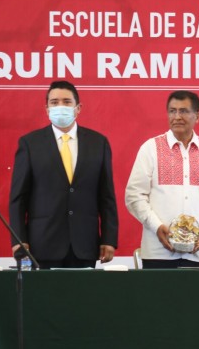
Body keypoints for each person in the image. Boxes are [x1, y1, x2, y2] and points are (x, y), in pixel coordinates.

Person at [9, 81, 119, 268]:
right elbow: (18, 198)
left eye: (67, 102)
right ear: (47, 109)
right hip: (42, 244)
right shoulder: (30, 143)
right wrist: (19, 239)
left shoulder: (98, 143)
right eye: (54, 102)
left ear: (78, 108)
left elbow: (106, 196)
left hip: (84, 244)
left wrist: (109, 238)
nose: (60, 106)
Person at [125, 90, 199, 268]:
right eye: (172, 111)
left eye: (183, 111)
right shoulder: (150, 148)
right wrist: (157, 227)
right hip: (158, 252)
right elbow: (134, 195)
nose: (177, 117)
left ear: (197, 116)